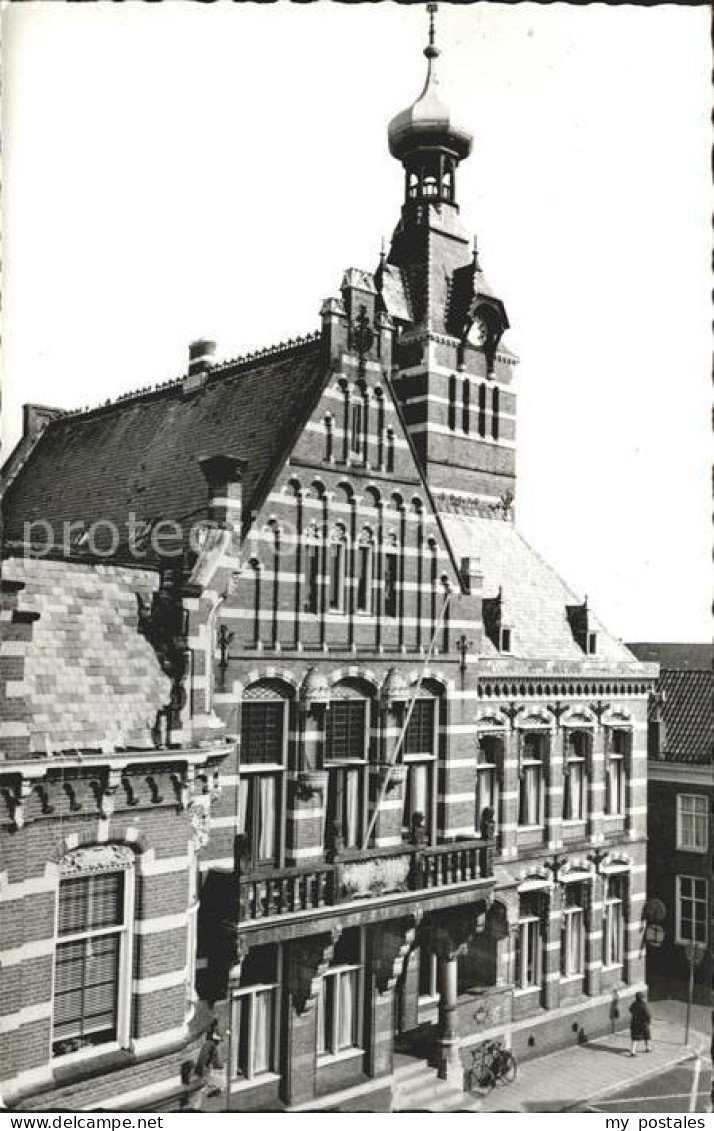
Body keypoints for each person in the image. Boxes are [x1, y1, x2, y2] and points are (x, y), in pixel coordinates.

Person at [629, 991, 652, 1056]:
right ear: (642, 998)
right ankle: (648, 1047)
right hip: (643, 1023)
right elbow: (648, 1015)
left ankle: (633, 1051)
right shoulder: (643, 1005)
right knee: (646, 1035)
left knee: (634, 1037)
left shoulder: (634, 1004)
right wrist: (648, 1021)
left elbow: (630, 1009)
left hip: (635, 1023)